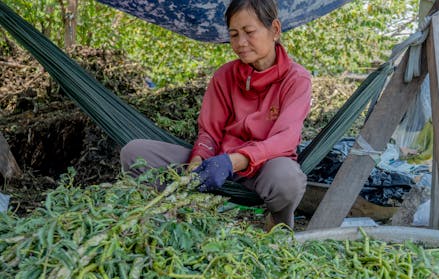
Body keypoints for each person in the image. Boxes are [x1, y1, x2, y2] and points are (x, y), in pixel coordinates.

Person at [120, 0, 312, 228]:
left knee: (288, 179)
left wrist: (233, 162)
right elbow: (209, 132)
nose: (241, 43)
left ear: (275, 30)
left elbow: (286, 139)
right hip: (215, 166)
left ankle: (277, 222)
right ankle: (161, 220)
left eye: (249, 32)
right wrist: (197, 162)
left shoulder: (296, 79)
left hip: (263, 169)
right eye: (233, 35)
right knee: (134, 153)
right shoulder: (224, 76)